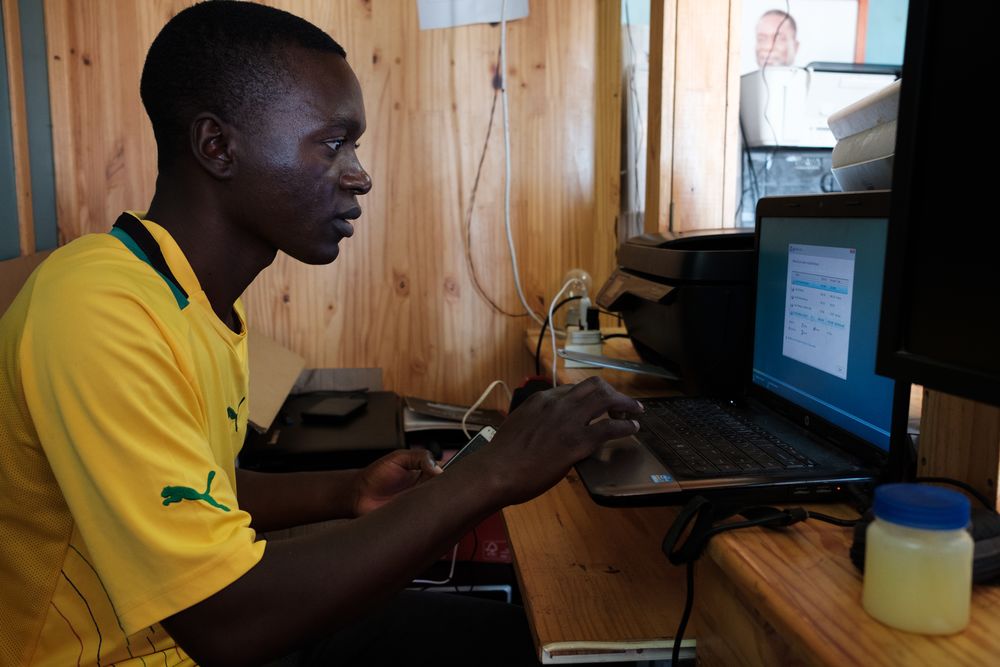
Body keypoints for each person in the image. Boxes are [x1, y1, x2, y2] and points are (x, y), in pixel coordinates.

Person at [0, 2, 645, 666]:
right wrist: (492, 473)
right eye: (334, 142)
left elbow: (195, 487)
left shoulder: (195, 299)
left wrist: (345, 491)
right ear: (217, 146)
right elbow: (227, 622)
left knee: (524, 644)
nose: (360, 174)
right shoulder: (101, 310)